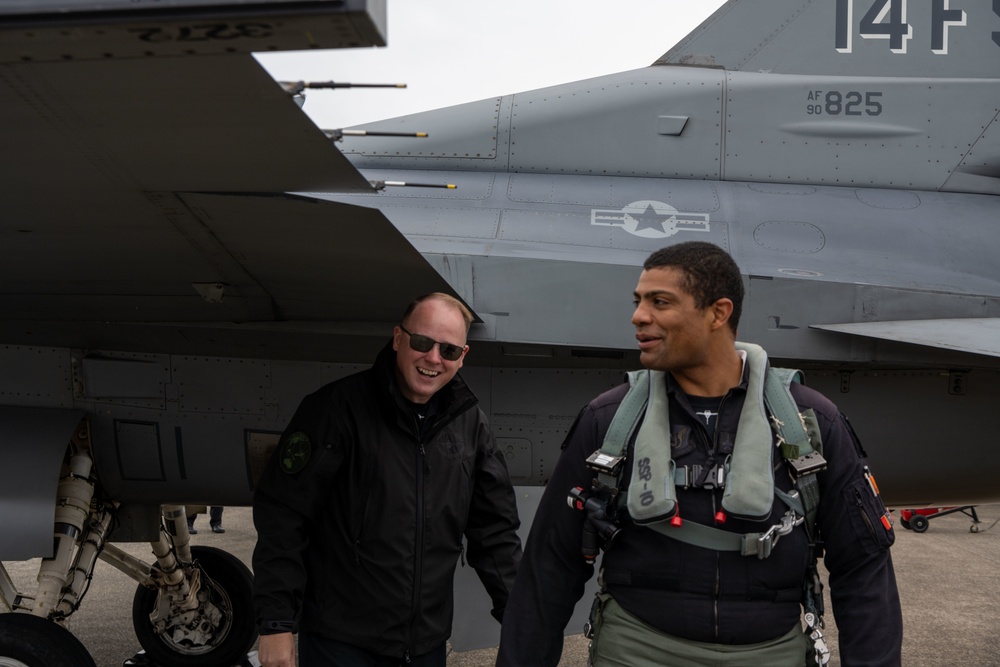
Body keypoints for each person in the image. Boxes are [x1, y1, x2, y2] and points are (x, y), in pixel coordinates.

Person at [497, 242, 902, 666]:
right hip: (637, 651)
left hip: (767, 653)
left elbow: (864, 571)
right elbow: (549, 570)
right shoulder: (609, 421)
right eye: (638, 302)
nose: (638, 316)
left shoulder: (811, 424)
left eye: (660, 302)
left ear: (718, 313)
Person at [253, 292, 522, 667]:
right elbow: (284, 515)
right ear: (398, 339)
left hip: (425, 647)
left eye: (448, 350)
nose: (432, 358)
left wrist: (521, 619)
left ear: (462, 358)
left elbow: (494, 533)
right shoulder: (337, 410)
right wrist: (276, 625)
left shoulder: (470, 426)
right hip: (342, 645)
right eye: (422, 342)